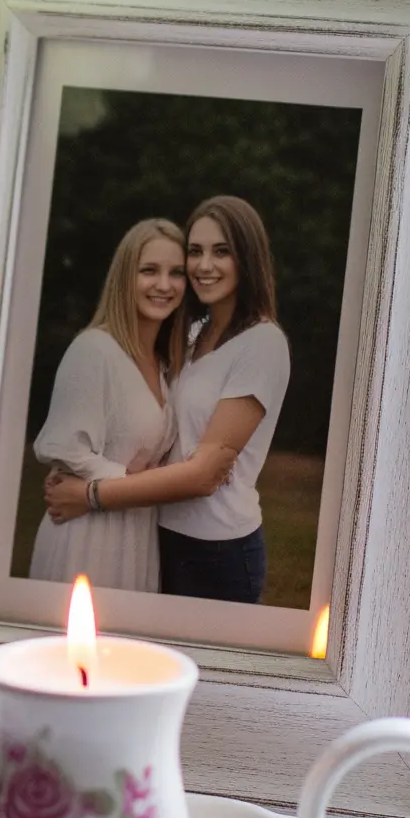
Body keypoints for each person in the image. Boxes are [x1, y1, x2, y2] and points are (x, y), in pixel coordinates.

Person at [30, 219, 237, 591]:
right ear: (126, 276)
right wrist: (129, 488)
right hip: (87, 536)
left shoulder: (164, 365)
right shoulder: (93, 350)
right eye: (149, 271)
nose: (163, 285)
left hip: (137, 535)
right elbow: (64, 447)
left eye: (175, 273)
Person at [157, 195, 292, 605]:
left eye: (221, 252)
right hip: (163, 535)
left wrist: (96, 493)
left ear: (247, 258)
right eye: (195, 252)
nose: (203, 265)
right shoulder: (194, 332)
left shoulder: (262, 343)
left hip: (219, 552)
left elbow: (202, 476)